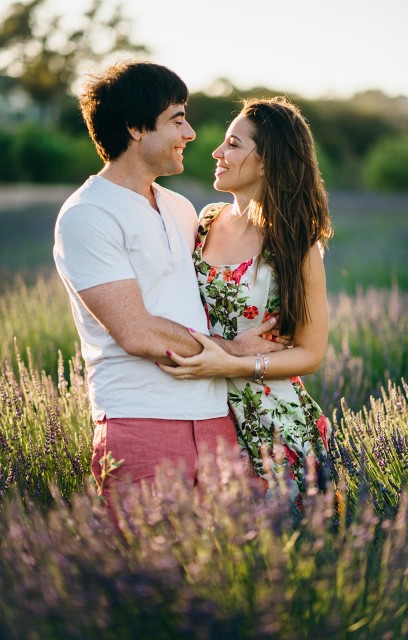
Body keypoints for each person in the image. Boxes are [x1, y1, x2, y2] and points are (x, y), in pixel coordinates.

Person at [53, 61, 283, 511]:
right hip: (141, 419)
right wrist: (232, 350)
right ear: (136, 128)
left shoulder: (179, 207)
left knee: (225, 570)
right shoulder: (88, 215)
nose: (191, 132)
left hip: (216, 417)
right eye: (177, 118)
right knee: (146, 572)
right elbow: (137, 333)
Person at [159, 97, 334, 505]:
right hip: (199, 411)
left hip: (273, 423)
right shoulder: (205, 221)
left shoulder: (295, 243)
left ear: (267, 160)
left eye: (233, 144)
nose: (217, 152)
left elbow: (310, 353)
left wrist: (236, 363)